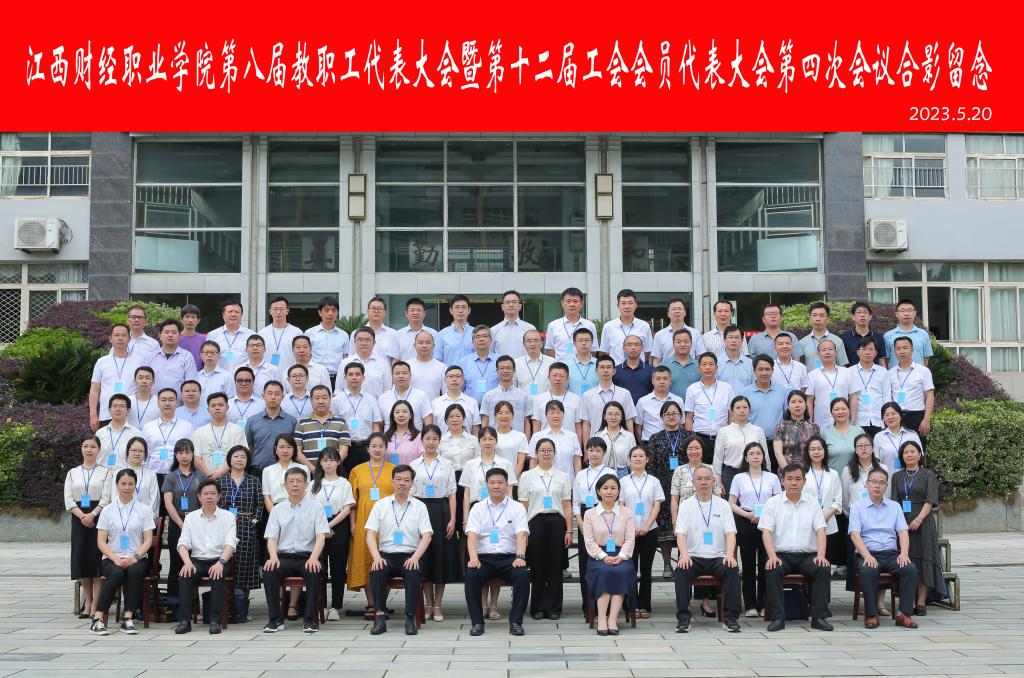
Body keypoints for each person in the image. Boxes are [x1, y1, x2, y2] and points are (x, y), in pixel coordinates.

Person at [759, 463, 834, 632]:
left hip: (807, 556)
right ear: (782, 481)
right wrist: (772, 556)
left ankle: (819, 617)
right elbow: (766, 532)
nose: (794, 483)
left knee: (822, 567)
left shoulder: (812, 502)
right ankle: (778, 617)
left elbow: (821, 530)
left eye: (798, 479)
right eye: (790, 479)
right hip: (781, 555)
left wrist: (821, 555)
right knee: (772, 568)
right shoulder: (772, 503)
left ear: (804, 481)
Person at [366, 464, 434, 635]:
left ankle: (410, 618)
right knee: (377, 570)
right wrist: (376, 557)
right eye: (399, 479)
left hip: (410, 555)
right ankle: (380, 617)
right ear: (392, 481)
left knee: (412, 571)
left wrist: (415, 558)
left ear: (412, 483)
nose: (402, 483)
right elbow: (370, 534)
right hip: (386, 555)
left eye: (406, 480)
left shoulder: (419, 506)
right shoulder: (381, 505)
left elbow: (427, 536)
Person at [673, 465, 741, 633]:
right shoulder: (686, 505)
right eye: (699, 479)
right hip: (693, 556)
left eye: (707, 478)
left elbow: (731, 534)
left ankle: (730, 618)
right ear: (693, 482)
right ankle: (683, 619)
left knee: (732, 569)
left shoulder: (723, 505)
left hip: (718, 557)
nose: (703, 482)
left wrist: (730, 555)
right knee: (681, 571)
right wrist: (684, 555)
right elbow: (680, 534)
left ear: (713, 481)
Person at [849, 467, 920, 629]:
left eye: (881, 483)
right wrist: (867, 556)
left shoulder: (895, 507)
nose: (877, 486)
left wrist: (904, 553)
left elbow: (903, 532)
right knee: (868, 571)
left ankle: (904, 614)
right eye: (874, 482)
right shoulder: (857, 507)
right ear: (867, 484)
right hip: (868, 553)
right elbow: (855, 535)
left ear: (886, 486)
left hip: (891, 554)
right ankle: (871, 615)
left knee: (910, 569)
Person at [262, 467, 331, 634]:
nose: (295, 485)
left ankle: (310, 619)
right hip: (283, 557)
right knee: (269, 570)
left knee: (314, 571)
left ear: (306, 485)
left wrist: (314, 558)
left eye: (299, 481)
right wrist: (273, 557)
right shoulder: (277, 509)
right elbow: (272, 538)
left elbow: (321, 537)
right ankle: (275, 619)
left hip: (307, 556)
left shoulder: (316, 507)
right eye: (291, 481)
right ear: (285, 485)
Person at [464, 468, 530, 636]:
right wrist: (473, 558)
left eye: (500, 483)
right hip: (484, 559)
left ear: (507, 485)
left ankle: (516, 622)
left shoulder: (517, 507)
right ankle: (477, 622)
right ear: (486, 485)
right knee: (471, 575)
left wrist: (520, 556)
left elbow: (522, 534)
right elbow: (472, 535)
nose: (496, 486)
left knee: (522, 574)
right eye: (492, 483)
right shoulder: (478, 508)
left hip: (509, 558)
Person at [89, 468, 156, 636]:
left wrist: (135, 557)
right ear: (117, 485)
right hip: (112, 558)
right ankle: (97, 619)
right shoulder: (108, 510)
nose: (127, 487)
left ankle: (128, 619)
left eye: (131, 484)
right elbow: (101, 541)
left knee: (135, 571)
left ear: (135, 486)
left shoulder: (144, 510)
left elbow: (148, 540)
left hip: (137, 557)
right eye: (123, 483)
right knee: (117, 574)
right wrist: (115, 559)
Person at [173, 479, 237, 634]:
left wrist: (221, 563)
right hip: (196, 560)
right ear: (199, 496)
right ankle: (184, 621)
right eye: (206, 494)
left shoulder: (228, 517)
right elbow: (182, 544)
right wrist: (187, 562)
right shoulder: (191, 517)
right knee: (185, 576)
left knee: (217, 575)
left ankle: (215, 620)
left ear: (219, 496)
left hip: (219, 559)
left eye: (213, 493)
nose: (209, 497)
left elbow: (230, 544)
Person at [410, 425, 461, 621]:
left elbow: (452, 493)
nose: (431, 442)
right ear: (422, 440)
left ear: (439, 441)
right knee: (425, 558)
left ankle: (438, 604)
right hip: (420, 510)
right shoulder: (414, 464)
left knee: (440, 559)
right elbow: (411, 495)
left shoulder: (447, 464)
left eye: (434, 439)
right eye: (427, 439)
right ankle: (428, 603)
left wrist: (452, 519)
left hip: (441, 511)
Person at [669, 435, 723, 619]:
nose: (694, 451)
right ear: (686, 452)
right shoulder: (679, 471)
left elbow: (717, 494)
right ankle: (685, 605)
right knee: (685, 560)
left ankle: (705, 601)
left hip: (708, 522)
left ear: (702, 450)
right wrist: (675, 521)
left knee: (708, 556)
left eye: (697, 448)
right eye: (690, 448)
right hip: (687, 523)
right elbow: (674, 498)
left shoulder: (710, 469)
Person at [518, 438, 572, 620]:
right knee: (537, 566)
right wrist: (523, 531)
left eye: (549, 450)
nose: (546, 453)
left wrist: (569, 530)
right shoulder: (527, 476)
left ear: (554, 453)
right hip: (535, 523)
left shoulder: (563, 476)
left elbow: (567, 505)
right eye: (543, 450)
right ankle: (538, 607)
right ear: (537, 453)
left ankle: (554, 608)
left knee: (556, 566)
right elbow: (523, 506)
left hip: (557, 523)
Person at [728, 442, 781, 618]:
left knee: (767, 563)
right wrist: (747, 514)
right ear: (746, 457)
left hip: (768, 524)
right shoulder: (739, 478)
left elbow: (778, 502)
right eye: (751, 453)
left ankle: (765, 603)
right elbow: (731, 503)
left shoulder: (772, 477)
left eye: (758, 453)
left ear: (763, 457)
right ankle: (750, 604)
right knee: (748, 565)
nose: (755, 456)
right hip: (746, 521)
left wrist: (765, 515)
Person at [891, 441, 944, 616]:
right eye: (906, 452)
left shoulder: (929, 475)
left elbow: (930, 499)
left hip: (924, 522)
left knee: (924, 560)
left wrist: (919, 519)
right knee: (908, 560)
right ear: (902, 456)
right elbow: (894, 502)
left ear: (919, 454)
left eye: (913, 451)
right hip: (903, 523)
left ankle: (921, 601)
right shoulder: (897, 476)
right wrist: (900, 523)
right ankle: (910, 600)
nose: (910, 455)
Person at [582, 474, 636, 635]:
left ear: (618, 491)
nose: (609, 491)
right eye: (605, 488)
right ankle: (601, 618)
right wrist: (603, 556)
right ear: (598, 491)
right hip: (598, 554)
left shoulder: (627, 512)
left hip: (621, 554)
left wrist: (621, 556)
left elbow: (630, 538)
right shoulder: (590, 513)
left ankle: (612, 619)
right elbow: (589, 540)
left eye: (613, 488)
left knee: (622, 571)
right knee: (603, 571)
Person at [347, 432, 395, 615]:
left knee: (386, 557)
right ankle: (371, 603)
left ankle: (382, 602)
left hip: (389, 521)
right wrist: (352, 523)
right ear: (367, 449)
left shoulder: (393, 469)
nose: (377, 449)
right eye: (373, 446)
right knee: (366, 558)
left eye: (381, 446)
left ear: (386, 449)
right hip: (364, 522)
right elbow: (352, 501)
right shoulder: (357, 470)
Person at [66, 436, 113, 620]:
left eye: (93, 446)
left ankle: (96, 604)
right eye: (85, 446)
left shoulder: (106, 472)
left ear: (98, 450)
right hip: (79, 519)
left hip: (99, 518)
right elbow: (68, 499)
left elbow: (106, 497)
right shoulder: (73, 472)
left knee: (96, 561)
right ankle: (88, 601)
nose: (89, 449)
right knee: (82, 560)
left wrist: (92, 515)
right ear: (81, 449)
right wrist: (82, 516)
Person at [216, 446, 264, 620]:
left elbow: (260, 504)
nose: (239, 459)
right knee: (229, 563)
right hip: (224, 526)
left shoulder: (254, 481)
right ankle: (226, 606)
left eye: (243, 457)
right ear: (229, 459)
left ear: (247, 460)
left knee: (245, 565)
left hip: (246, 525)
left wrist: (254, 521)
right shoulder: (221, 481)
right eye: (236, 456)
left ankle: (242, 608)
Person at [309, 448, 355, 621]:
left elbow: (347, 508)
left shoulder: (344, 483)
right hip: (317, 526)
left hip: (338, 525)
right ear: (320, 462)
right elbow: (309, 507)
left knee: (338, 568)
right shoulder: (313, 483)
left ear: (338, 462)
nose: (328, 463)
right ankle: (320, 604)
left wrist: (329, 525)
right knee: (319, 567)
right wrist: (322, 527)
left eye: (332, 460)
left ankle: (335, 606)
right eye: (325, 460)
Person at [620, 445, 665, 618]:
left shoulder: (654, 481)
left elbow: (657, 506)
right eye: (634, 456)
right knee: (629, 569)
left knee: (646, 570)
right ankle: (631, 606)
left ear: (647, 459)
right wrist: (631, 527)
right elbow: (621, 506)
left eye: (641, 456)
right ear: (629, 460)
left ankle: (645, 605)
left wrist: (646, 525)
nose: (638, 458)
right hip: (628, 532)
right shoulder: (623, 482)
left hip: (649, 530)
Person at [841, 434, 889, 596]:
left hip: (880, 519)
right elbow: (845, 498)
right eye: (859, 446)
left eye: (866, 445)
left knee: (881, 556)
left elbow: (887, 494)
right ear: (855, 450)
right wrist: (853, 516)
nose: (863, 448)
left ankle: (880, 600)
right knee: (859, 560)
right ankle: (862, 597)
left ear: (872, 448)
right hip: (857, 522)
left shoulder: (882, 469)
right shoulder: (848, 470)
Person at [162, 438, 207, 601]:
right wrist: (181, 523)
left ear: (193, 454)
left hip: (198, 522)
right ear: (175, 455)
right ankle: (173, 603)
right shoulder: (171, 477)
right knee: (176, 563)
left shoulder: (200, 476)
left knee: (194, 562)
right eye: (180, 452)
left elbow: (206, 500)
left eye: (187, 452)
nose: (184, 456)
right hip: (177, 523)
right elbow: (168, 504)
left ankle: (192, 603)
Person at [646, 402, 686, 578]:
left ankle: (683, 561)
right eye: (667, 414)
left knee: (683, 524)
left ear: (680, 416)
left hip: (684, 486)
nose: (671, 416)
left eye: (675, 413)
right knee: (664, 527)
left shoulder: (688, 436)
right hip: (662, 485)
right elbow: (651, 466)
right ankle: (667, 564)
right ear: (662, 417)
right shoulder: (655, 438)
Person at [572, 438, 613, 614]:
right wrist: (580, 522)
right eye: (591, 450)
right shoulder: (581, 474)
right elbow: (575, 501)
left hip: (604, 514)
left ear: (604, 453)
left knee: (605, 558)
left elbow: (614, 497)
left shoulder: (610, 472)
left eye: (598, 450)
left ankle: (605, 603)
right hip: (584, 516)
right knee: (585, 562)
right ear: (586, 453)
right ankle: (588, 605)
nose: (594, 454)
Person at [332, 362, 384, 476]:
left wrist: (373, 446)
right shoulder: (336, 400)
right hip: (346, 448)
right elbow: (333, 426)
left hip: (366, 448)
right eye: (350, 374)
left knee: (367, 479)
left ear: (363, 378)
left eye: (357, 374)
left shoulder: (371, 399)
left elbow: (376, 425)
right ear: (345, 377)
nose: (354, 377)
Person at [89, 323, 141, 431]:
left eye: (123, 335)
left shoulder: (139, 361)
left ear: (129, 339)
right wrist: (93, 415)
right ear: (110, 339)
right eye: (116, 335)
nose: (120, 338)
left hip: (131, 415)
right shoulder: (102, 362)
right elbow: (94, 390)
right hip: (106, 415)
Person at [684, 353, 734, 463]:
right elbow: (689, 417)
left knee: (720, 469)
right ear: (699, 368)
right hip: (700, 439)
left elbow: (731, 415)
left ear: (716, 367)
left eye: (711, 364)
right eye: (704, 364)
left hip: (722, 438)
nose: (707, 367)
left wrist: (731, 436)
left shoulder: (727, 388)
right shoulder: (692, 389)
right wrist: (690, 439)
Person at [713, 396, 768, 495]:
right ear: (732, 411)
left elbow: (765, 456)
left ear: (749, 410)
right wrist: (718, 482)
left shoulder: (758, 431)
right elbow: (718, 459)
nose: (742, 410)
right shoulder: (723, 431)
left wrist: (767, 476)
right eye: (738, 408)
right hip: (730, 474)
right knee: (732, 503)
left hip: (754, 472)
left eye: (745, 407)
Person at [802, 436, 844, 567]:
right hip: (807, 522)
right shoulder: (802, 474)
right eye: (812, 449)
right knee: (810, 562)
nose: (816, 452)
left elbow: (838, 500)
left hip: (829, 523)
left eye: (819, 449)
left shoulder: (833, 474)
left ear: (825, 451)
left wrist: (825, 515)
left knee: (826, 562)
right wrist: (814, 517)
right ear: (808, 452)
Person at [245, 381, 300, 474]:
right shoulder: (252, 421)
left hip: (285, 471)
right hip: (257, 470)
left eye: (277, 394)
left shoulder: (291, 421)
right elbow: (249, 447)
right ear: (263, 396)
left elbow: (296, 448)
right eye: (270, 393)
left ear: (282, 397)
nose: (273, 397)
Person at [581, 355, 638, 440]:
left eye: (608, 367)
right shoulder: (587, 395)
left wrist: (631, 443)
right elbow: (586, 423)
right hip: (596, 443)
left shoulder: (625, 393)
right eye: (602, 367)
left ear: (614, 371)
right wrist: (587, 447)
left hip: (621, 442)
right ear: (596, 371)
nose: (605, 370)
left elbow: (628, 420)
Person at [888, 337, 936, 439]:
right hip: (895, 417)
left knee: (916, 448)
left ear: (912, 349)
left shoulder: (923, 371)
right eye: (898, 348)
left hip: (916, 417)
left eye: (905, 348)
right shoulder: (890, 373)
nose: (902, 351)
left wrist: (926, 420)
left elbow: (930, 396)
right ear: (894, 351)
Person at [192, 392, 247, 480]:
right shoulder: (199, 432)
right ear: (208, 409)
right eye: (213, 406)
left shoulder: (237, 430)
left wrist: (219, 473)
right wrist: (209, 474)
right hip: (206, 480)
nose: (217, 408)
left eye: (221, 405)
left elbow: (241, 455)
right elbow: (196, 457)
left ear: (227, 407)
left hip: (231, 479)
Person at [805, 339, 859, 429]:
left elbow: (853, 397)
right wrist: (810, 422)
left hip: (844, 422)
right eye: (823, 350)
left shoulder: (847, 372)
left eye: (830, 349)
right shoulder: (812, 375)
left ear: (836, 352)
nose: (827, 352)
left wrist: (853, 421)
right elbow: (809, 400)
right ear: (818, 354)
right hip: (821, 422)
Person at [295, 385, 351, 470]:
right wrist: (313, 469)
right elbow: (297, 452)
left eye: (324, 398)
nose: (321, 401)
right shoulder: (302, 423)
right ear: (311, 401)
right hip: (309, 472)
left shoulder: (341, 422)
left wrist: (331, 467)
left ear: (330, 399)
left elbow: (344, 451)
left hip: (334, 472)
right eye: (317, 398)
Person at [740, 356, 787, 454]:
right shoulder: (745, 393)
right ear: (754, 371)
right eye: (760, 369)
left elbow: (787, 417)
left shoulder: (782, 391)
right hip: (753, 444)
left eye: (767, 369)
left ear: (772, 371)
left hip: (777, 443)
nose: (764, 373)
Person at [142, 388, 194, 477]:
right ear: (158, 403)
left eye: (171, 400)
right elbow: (144, 453)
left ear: (176, 403)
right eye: (163, 400)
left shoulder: (187, 427)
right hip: (153, 474)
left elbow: (191, 452)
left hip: (178, 475)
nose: (167, 403)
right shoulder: (148, 427)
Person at [527, 400, 582, 477]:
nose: (555, 416)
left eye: (558, 412)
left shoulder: (572, 436)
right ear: (546, 415)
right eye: (551, 413)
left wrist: (578, 480)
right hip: (545, 481)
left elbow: (577, 463)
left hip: (569, 481)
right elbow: (533, 463)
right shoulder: (537, 437)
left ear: (563, 415)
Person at [481, 355, 534, 434]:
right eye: (502, 368)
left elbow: (526, 422)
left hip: (517, 440)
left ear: (514, 370)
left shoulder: (524, 396)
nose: (505, 371)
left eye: (508, 368)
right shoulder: (488, 396)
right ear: (497, 371)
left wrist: (526, 440)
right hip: (495, 439)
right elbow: (485, 421)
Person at [530, 363, 582, 441]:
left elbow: (578, 426)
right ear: (548, 377)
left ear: (567, 378)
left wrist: (578, 446)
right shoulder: (539, 399)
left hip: (568, 442)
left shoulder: (576, 399)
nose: (558, 379)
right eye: (554, 375)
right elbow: (536, 425)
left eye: (561, 376)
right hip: (545, 444)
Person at [600, 289, 654, 365]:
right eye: (623, 303)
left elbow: (647, 352)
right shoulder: (608, 327)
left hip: (638, 369)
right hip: (616, 369)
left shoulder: (644, 326)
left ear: (635, 305)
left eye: (630, 303)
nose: (627, 306)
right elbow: (605, 352)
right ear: (618, 306)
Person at [111, 436, 161, 517]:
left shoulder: (151, 475)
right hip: (122, 517)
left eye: (141, 451)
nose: (137, 453)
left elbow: (154, 499)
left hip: (145, 518)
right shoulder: (118, 473)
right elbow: (114, 497)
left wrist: (147, 517)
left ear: (145, 454)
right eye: (134, 450)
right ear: (128, 452)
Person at [544, 287, 597, 363]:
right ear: (562, 303)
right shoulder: (553, 325)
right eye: (568, 301)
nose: (572, 304)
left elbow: (593, 350)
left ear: (581, 303)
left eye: (575, 301)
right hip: (561, 368)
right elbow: (550, 350)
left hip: (583, 368)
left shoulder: (589, 326)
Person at [148, 318, 198, 397]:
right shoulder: (150, 357)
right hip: (154, 402)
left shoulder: (187, 356)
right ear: (160, 335)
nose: (170, 335)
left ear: (179, 336)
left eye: (174, 332)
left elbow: (191, 383)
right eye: (166, 332)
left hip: (178, 403)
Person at [852, 337, 891, 438]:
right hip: (858, 421)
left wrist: (886, 418)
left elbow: (887, 397)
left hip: (878, 420)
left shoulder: (883, 372)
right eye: (863, 349)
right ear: (858, 352)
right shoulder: (849, 372)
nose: (867, 352)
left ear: (876, 353)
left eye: (871, 349)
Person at [337, 327, 391, 398]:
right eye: (360, 340)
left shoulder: (383, 363)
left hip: (376, 404)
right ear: (354, 342)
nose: (363, 343)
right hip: (350, 404)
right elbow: (338, 390)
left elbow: (387, 391)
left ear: (374, 343)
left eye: (367, 340)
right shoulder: (345, 363)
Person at [306, 295, 350, 382]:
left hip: (337, 378)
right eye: (326, 310)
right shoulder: (309, 333)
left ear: (337, 313)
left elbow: (346, 357)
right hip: (315, 377)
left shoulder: (344, 335)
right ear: (320, 312)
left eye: (333, 310)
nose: (330, 313)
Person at [773, 390, 820, 470]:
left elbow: (817, 453)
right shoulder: (781, 426)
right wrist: (789, 473)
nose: (797, 405)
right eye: (793, 402)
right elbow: (778, 453)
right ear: (788, 406)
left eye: (800, 402)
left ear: (805, 405)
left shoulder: (814, 427)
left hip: (809, 472)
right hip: (786, 472)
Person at [378, 361, 433, 429]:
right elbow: (380, 424)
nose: (401, 376)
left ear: (410, 375)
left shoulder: (421, 395)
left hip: (415, 435)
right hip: (389, 435)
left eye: (404, 373)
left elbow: (428, 421)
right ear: (392, 376)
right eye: (397, 373)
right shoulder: (383, 398)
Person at [262, 434, 309, 512]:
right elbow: (267, 497)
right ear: (276, 449)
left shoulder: (303, 468)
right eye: (281, 447)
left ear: (294, 450)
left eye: (289, 447)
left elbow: (306, 493)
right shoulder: (267, 470)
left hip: (299, 509)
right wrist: (274, 515)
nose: (285, 451)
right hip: (276, 510)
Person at [651, 297, 706, 365]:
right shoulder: (659, 335)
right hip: (667, 371)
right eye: (673, 309)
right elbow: (656, 360)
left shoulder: (695, 333)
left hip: (691, 371)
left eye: (679, 309)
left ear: (685, 313)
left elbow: (700, 357)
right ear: (668, 314)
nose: (677, 311)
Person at [637, 366, 684, 441]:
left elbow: (681, 424)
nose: (662, 382)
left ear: (670, 381)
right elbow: (638, 426)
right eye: (658, 379)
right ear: (652, 381)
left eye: (665, 378)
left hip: (673, 443)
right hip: (649, 443)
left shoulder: (678, 400)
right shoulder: (642, 401)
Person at [431, 365, 481, 435]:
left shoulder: (472, 402)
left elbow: (475, 429)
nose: (454, 379)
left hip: (467, 441)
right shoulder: (436, 403)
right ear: (445, 380)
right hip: (442, 441)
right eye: (451, 376)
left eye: (458, 376)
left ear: (463, 380)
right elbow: (433, 428)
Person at [873, 402, 923, 471]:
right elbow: (876, 461)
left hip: (910, 476)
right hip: (887, 476)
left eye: (893, 413)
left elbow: (920, 459)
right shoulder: (878, 437)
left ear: (900, 415)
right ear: (883, 418)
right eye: (886, 415)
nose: (890, 417)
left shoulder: (912, 435)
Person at [456, 325, 500, 405]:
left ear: (490, 340)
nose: (481, 339)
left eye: (485, 336)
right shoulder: (463, 362)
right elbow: (459, 388)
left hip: (495, 407)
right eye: (478, 337)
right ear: (473, 341)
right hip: (470, 407)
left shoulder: (499, 360)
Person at [822, 397, 866, 474]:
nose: (840, 412)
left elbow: (866, 455)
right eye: (836, 409)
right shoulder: (825, 433)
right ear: (831, 413)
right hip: (833, 478)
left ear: (849, 411)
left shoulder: (859, 431)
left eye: (843, 409)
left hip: (856, 477)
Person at [206, 301, 255, 370]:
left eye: (237, 312)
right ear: (223, 315)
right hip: (219, 375)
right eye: (230, 312)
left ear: (241, 315)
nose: (233, 314)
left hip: (243, 375)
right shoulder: (212, 335)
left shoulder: (251, 335)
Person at [259, 296, 303, 370]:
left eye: (281, 309)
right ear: (270, 311)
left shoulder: (297, 332)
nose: (278, 312)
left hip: (290, 373)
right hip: (267, 373)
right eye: (275, 309)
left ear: (287, 311)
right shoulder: (262, 333)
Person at [883, 298, 932, 366]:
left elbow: (926, 357)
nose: (906, 314)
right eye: (902, 311)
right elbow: (886, 358)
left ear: (915, 313)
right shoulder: (888, 335)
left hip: (917, 372)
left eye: (909, 310)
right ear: (897, 314)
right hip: (895, 372)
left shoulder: (923, 334)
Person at [799, 302, 850, 367]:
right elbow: (800, 367)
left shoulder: (837, 341)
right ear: (810, 319)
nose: (818, 319)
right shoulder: (802, 343)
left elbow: (843, 366)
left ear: (827, 319)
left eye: (822, 316)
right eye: (814, 315)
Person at [96, 394, 140, 468]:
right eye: (115, 406)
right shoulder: (100, 433)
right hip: (102, 473)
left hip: (126, 474)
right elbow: (95, 456)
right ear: (109, 410)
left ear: (128, 410)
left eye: (122, 406)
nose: (118, 409)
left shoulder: (136, 433)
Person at [490, 290, 536, 360]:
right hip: (502, 367)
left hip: (524, 367)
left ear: (520, 306)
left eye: (514, 302)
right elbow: (491, 354)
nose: (511, 305)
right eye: (507, 302)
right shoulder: (493, 330)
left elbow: (535, 352)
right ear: (502, 307)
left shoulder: (530, 329)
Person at [841, 302, 887, 368]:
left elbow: (881, 361)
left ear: (870, 317)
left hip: (874, 374)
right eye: (859, 312)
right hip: (851, 374)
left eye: (865, 312)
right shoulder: (845, 338)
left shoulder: (879, 338)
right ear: (853, 317)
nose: (862, 315)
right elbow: (843, 364)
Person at [612, 335, 654, 405]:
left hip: (645, 410)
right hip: (621, 410)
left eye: (636, 345)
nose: (633, 347)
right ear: (623, 348)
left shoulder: (651, 370)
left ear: (642, 348)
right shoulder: (615, 371)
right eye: (629, 345)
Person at [382, 401, 424, 468]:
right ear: (393, 416)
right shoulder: (384, 437)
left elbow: (422, 460)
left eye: (404, 411)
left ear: (410, 415)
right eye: (397, 412)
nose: (401, 415)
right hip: (389, 474)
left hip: (411, 473)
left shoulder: (419, 436)